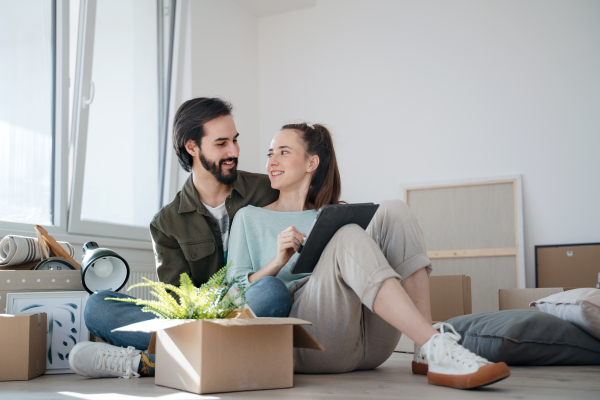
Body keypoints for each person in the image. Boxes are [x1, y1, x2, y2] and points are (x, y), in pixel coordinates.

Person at [223, 123, 510, 389]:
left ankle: (425, 349)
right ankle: (438, 345)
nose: (271, 162)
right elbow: (233, 292)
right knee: (347, 233)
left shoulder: (332, 215)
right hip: (312, 341)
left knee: (394, 210)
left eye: (283, 152)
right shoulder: (250, 217)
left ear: (312, 163)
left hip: (370, 347)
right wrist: (277, 262)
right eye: (270, 153)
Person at [68, 97, 285, 378]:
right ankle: (211, 354)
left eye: (235, 140)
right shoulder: (166, 223)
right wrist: (212, 312)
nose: (235, 151)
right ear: (192, 147)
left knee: (270, 291)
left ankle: (153, 362)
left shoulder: (266, 190)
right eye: (221, 143)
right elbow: (178, 304)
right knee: (98, 307)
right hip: (197, 321)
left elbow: (310, 207)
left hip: (249, 306)